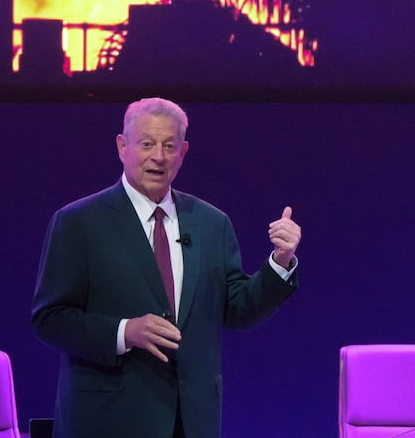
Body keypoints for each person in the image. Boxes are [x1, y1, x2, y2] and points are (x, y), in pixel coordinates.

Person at [31, 97, 300, 438]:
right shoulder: (79, 223)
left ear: (183, 152)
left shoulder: (211, 223)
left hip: (190, 421)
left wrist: (280, 262)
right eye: (147, 144)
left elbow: (238, 309)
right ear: (122, 146)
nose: (158, 156)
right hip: (107, 420)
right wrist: (124, 332)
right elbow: (49, 319)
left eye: (169, 146)